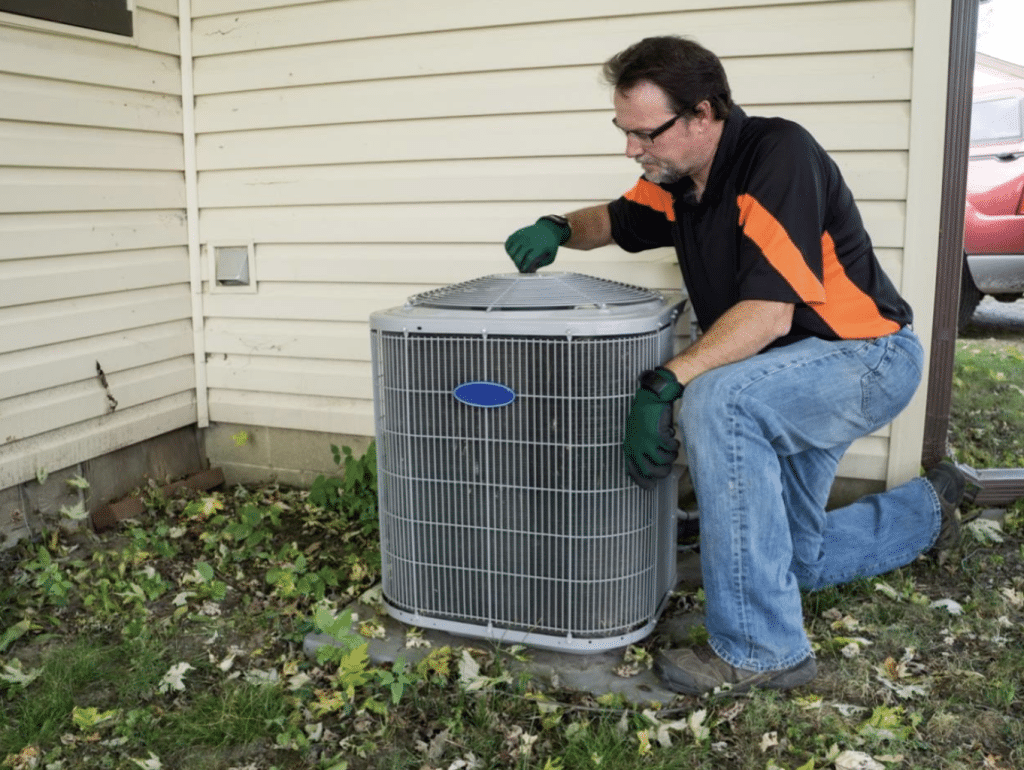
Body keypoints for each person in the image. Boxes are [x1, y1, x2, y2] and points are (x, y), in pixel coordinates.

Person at [503, 36, 966, 697]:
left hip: (864, 358)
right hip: (789, 374)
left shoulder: (777, 156)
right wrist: (556, 226)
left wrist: (663, 384)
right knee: (797, 557)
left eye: (645, 134)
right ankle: (928, 511)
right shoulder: (682, 179)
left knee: (719, 400)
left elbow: (769, 316)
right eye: (623, 132)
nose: (632, 149)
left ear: (701, 114)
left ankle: (763, 650)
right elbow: (611, 219)